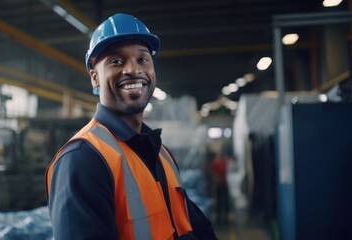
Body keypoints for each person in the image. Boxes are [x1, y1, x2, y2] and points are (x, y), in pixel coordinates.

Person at [45, 13, 218, 240]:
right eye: (117, 61)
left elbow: (194, 228)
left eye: (142, 59)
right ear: (95, 77)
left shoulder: (161, 153)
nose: (133, 70)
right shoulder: (82, 159)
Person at [210, 148, 231, 224]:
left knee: (225, 202)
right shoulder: (216, 162)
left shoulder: (224, 162)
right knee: (220, 201)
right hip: (219, 185)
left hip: (224, 185)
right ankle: (220, 217)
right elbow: (213, 173)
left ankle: (225, 217)